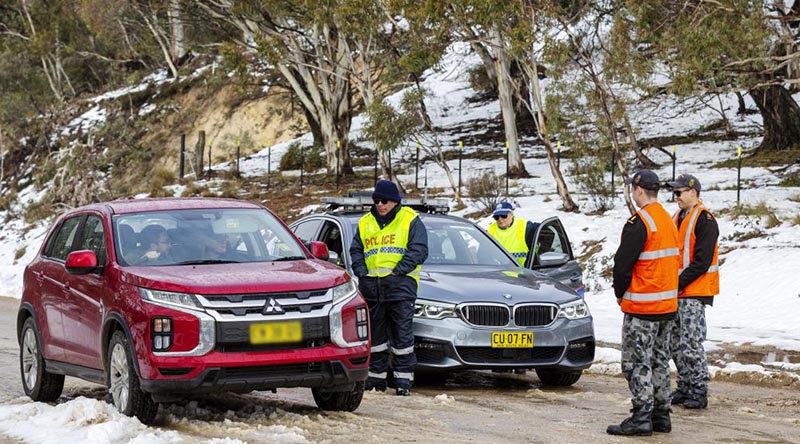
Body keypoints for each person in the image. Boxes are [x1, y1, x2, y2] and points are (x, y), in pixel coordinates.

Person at [608, 170, 680, 436]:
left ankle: (641, 417)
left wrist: (620, 292)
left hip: (642, 308)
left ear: (639, 190)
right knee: (659, 361)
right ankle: (661, 415)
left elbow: (622, 265)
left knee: (636, 363)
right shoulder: (668, 220)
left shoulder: (639, 222)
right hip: (667, 307)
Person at [349, 179, 428, 396]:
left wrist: (397, 272)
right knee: (376, 338)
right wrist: (362, 273)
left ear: (395, 202)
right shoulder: (365, 222)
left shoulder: (410, 219)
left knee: (402, 337)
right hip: (372, 288)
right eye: (376, 201)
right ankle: (376, 380)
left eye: (384, 201)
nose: (380, 205)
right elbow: (356, 250)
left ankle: (403, 382)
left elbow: (419, 250)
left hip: (400, 287)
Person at [665, 174, 719, 410]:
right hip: (677, 292)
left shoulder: (705, 219)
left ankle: (698, 390)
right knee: (676, 343)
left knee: (691, 343)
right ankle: (685, 386)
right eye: (674, 193)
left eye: (679, 193)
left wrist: (676, 283)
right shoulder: (677, 217)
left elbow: (702, 261)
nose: (675, 197)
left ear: (693, 193)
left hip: (695, 292)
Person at [487, 201, 540, 266]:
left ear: (511, 214)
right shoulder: (490, 230)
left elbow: (547, 233)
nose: (500, 219)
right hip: (498, 274)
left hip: (524, 273)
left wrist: (538, 257)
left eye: (504, 215)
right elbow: (482, 255)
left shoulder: (526, 227)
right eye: (496, 217)